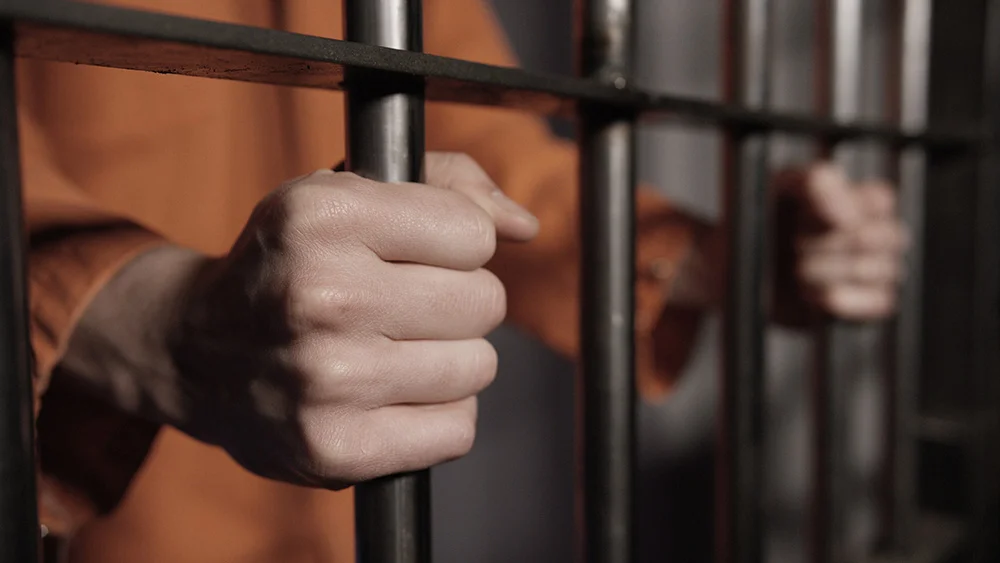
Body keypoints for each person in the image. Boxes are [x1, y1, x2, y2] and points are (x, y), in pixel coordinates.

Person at [20, 0, 907, 561]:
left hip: (364, 522)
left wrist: (716, 256)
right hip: (111, 509)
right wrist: (166, 328)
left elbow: (460, 133)